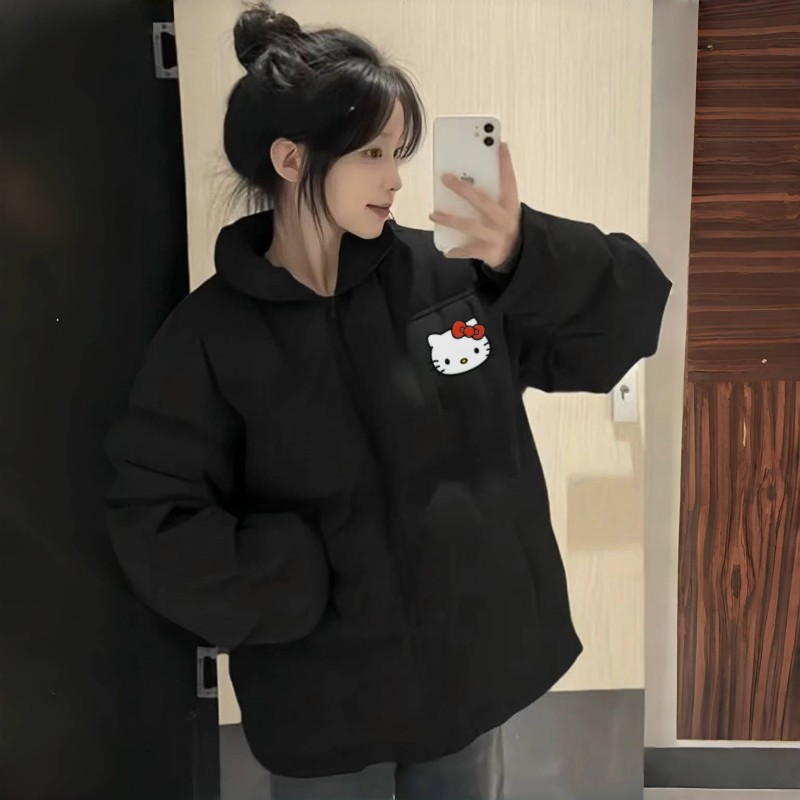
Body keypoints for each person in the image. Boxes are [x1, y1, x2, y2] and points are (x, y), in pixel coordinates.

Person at [104, 3, 672, 798]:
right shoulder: (209, 336)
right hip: (323, 702)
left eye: (398, 151)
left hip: (469, 680)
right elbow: (153, 513)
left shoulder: (452, 278)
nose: (396, 177)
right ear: (292, 159)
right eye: (372, 152)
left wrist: (524, 250)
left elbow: (626, 322)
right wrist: (289, 583)